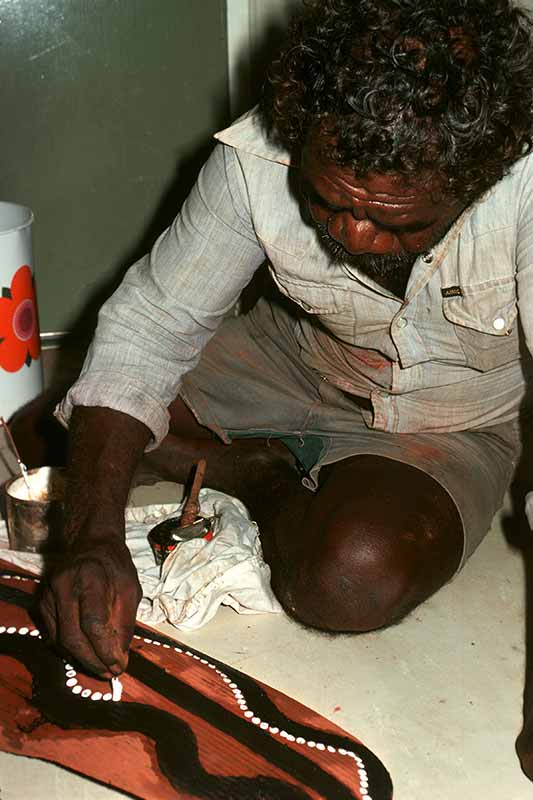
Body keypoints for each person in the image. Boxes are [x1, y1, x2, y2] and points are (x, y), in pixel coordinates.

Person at [35, 0, 533, 779]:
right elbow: (152, 325)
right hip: (289, 356)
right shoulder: (259, 154)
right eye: (327, 200)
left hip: (448, 419)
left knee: (347, 579)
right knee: (50, 436)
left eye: (396, 220)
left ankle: (261, 477)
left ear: (477, 178)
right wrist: (90, 539)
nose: (352, 236)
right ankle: (233, 460)